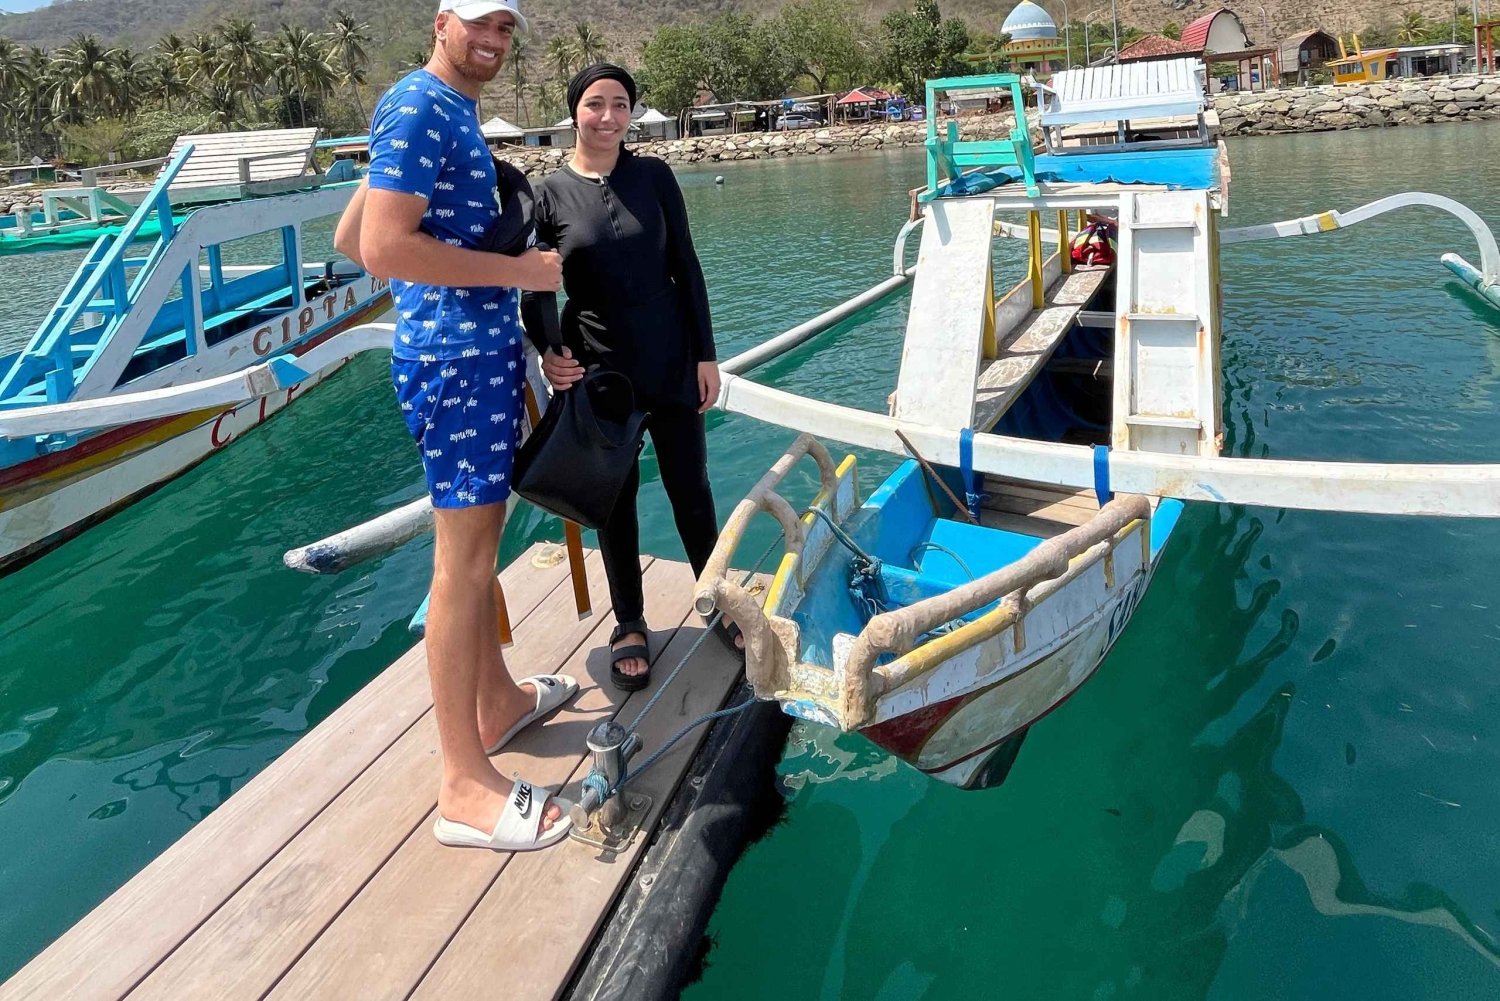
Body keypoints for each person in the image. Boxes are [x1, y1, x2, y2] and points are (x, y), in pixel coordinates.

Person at [335, 0, 578, 853]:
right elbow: (383, 251)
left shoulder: (434, 110)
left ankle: (500, 701)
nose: (494, 40)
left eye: (507, 28)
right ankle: (463, 784)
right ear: (442, 21)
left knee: (478, 553)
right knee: (464, 566)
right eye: (481, 23)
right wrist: (519, 269)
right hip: (455, 362)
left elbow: (348, 232)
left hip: (469, 354)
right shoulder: (419, 104)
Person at [532, 64, 741, 692]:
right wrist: (548, 349)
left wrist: (706, 354)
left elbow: (687, 266)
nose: (608, 116)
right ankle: (629, 623)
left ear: (631, 114)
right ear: (575, 112)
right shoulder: (548, 193)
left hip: (673, 359)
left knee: (691, 489)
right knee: (615, 503)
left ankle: (716, 598)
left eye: (620, 105)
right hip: (599, 371)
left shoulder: (653, 175)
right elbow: (539, 285)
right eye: (595, 104)